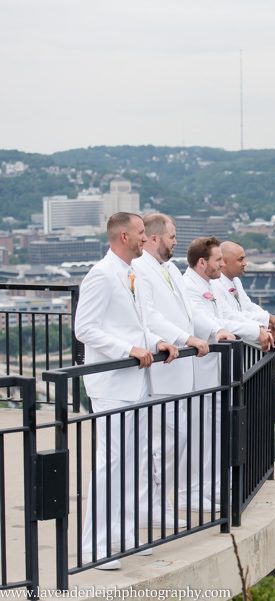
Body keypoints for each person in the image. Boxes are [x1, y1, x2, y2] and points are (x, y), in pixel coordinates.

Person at [74, 212, 178, 570]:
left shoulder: (130, 274)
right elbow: (84, 328)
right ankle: (94, 547)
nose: (143, 238)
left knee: (133, 465)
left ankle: (126, 537)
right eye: (138, 233)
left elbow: (140, 324)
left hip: (136, 384)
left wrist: (158, 341)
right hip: (112, 386)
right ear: (122, 237)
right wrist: (127, 350)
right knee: (110, 465)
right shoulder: (101, 275)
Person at [182, 236, 273, 510]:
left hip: (216, 372)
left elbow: (229, 314)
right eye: (218, 260)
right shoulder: (191, 287)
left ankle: (213, 487)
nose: (222, 264)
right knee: (201, 436)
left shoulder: (209, 285)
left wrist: (261, 327)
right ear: (202, 262)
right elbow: (215, 322)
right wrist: (251, 331)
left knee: (215, 434)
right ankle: (194, 492)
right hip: (200, 372)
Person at [132, 213, 209, 527]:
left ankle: (162, 506)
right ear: (154, 238)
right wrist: (183, 338)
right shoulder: (139, 270)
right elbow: (148, 316)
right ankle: (150, 510)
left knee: (174, 445)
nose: (176, 242)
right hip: (161, 372)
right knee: (158, 449)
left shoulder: (171, 269)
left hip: (180, 373)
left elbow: (188, 312)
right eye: (172, 237)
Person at [211, 241, 275, 339]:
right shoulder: (214, 284)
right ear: (224, 261)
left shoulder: (236, 281)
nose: (245, 263)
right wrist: (266, 319)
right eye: (240, 260)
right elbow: (228, 315)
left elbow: (247, 306)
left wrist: (268, 319)